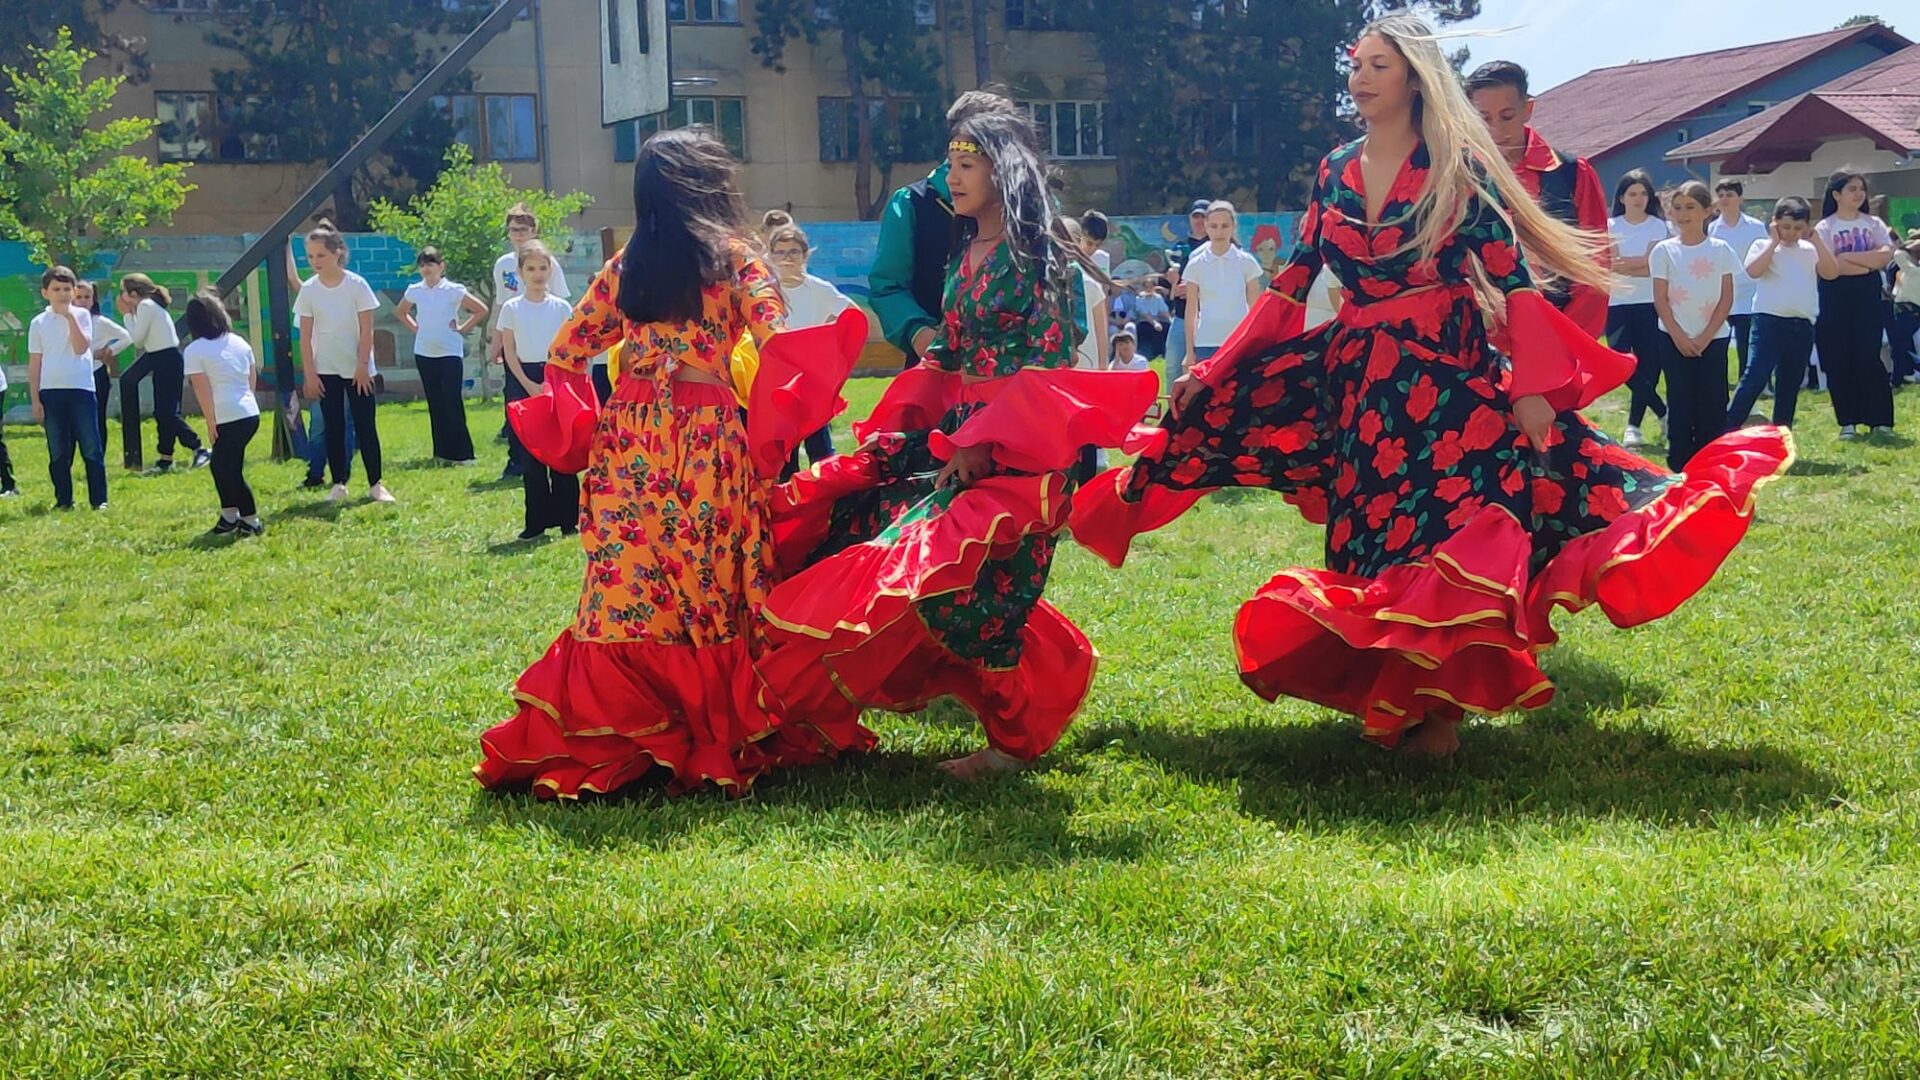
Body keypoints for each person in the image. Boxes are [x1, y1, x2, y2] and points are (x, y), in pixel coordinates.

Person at [1068, 14, 1792, 758]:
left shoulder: (1457, 165)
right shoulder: (1334, 169)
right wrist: (1213, 369)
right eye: (1356, 64)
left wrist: (1532, 386)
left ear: (1414, 79)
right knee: (1371, 535)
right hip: (1361, 387)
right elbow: (1291, 283)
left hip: (1448, 379)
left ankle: (1438, 716)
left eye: (1377, 65)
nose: (1359, 77)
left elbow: (1512, 279)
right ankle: (1402, 699)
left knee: (1450, 526)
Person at [752, 111, 1158, 781]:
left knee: (986, 601)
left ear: (1003, 173)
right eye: (950, 165)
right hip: (962, 440)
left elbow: (1047, 363)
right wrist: (902, 425)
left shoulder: (1040, 258)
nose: (952, 177)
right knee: (866, 532)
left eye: (967, 165)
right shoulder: (966, 253)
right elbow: (948, 350)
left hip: (1026, 456)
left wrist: (983, 442)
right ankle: (816, 704)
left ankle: (1010, 746)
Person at [474, 128, 857, 799]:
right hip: (706, 436)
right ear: (710, 184)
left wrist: (580, 427)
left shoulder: (629, 263)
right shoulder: (736, 259)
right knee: (709, 578)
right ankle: (712, 723)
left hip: (629, 436)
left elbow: (566, 350)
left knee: (627, 580)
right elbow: (779, 343)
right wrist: (779, 426)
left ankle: (620, 725)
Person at [870, 90, 1021, 369]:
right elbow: (887, 287)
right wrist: (919, 333)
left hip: (1017, 377)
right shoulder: (912, 204)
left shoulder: (1032, 210)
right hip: (933, 371)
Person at [1466, 60, 1610, 337]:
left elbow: (1595, 266)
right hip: (1485, 339)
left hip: (1564, 335)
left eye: (1507, 116)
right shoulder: (1461, 178)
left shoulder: (1571, 173)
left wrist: (1565, 340)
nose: (1496, 131)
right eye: (1484, 119)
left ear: (1527, 109)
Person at [294, 219, 393, 503]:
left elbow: (367, 329)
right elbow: (305, 337)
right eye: (310, 256)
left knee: (365, 425)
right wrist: (310, 374)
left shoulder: (356, 285)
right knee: (333, 426)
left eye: (321, 255)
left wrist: (362, 367)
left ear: (337, 252)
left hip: (358, 369)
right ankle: (339, 482)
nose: (315, 261)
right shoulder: (309, 290)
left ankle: (376, 484)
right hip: (326, 369)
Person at [1650, 181, 1739, 471]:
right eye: (1677, 208)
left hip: (1713, 339)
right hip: (1673, 338)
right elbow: (1660, 298)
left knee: (1713, 402)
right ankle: (1680, 465)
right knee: (1680, 401)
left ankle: (1711, 463)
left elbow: (1726, 297)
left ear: (1707, 211)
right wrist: (1679, 336)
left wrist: (1705, 336)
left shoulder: (1721, 250)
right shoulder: (1663, 251)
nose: (1683, 214)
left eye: (1690, 207)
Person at [1727, 197, 1836, 431]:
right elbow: (1753, 271)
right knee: (1755, 377)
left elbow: (1830, 272)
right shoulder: (1762, 245)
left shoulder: (1810, 250)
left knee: (1790, 384)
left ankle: (1781, 433)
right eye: (1786, 227)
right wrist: (1773, 242)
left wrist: (1817, 241)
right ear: (1775, 223)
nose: (1791, 233)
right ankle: (1728, 428)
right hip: (1769, 322)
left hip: (1802, 325)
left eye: (1798, 228)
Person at [497, 240, 580, 541]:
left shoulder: (561, 307)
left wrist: (553, 382)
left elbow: (569, 347)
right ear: (520, 272)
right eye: (531, 268)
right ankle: (536, 522)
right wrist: (528, 384)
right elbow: (509, 351)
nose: (537, 274)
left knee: (561, 451)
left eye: (543, 268)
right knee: (531, 456)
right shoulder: (511, 308)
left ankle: (568, 519)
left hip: (555, 377)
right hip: (523, 380)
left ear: (550, 271)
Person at [491, 203, 573, 479]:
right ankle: (517, 460)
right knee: (516, 403)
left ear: (534, 231)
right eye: (513, 229)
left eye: (523, 229)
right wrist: (496, 340)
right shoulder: (503, 264)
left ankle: (555, 459)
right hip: (516, 339)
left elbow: (561, 302)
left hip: (545, 347)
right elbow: (500, 302)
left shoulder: (550, 264)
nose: (518, 234)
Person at [764, 222, 852, 472]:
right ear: (770, 256)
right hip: (778, 378)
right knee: (784, 450)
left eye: (793, 251)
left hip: (812, 379)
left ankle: (826, 489)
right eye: (780, 252)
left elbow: (851, 315)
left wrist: (827, 342)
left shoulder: (818, 289)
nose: (787, 258)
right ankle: (785, 489)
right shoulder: (765, 291)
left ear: (805, 255)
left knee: (819, 447)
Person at [1815, 170, 1897, 439]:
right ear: (1836, 194)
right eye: (1852, 189)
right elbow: (1830, 268)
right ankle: (1847, 421)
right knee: (1838, 356)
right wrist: (1864, 261)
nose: (1858, 194)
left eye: (1861, 188)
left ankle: (1880, 420)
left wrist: (1849, 258)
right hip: (1834, 294)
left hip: (1867, 293)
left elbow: (1884, 256)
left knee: (1868, 354)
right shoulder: (1825, 227)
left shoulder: (1873, 223)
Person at [182, 290, 265, 538]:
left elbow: (202, 390)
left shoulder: (195, 350)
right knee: (224, 466)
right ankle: (229, 515)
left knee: (226, 469)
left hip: (226, 416)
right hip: (248, 412)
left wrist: (211, 422)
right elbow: (252, 378)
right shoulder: (239, 342)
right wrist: (246, 402)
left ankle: (250, 520)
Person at [395, 247, 487, 465]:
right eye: (422, 265)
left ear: (441, 266)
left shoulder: (453, 290)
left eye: (431, 264)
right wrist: (416, 329)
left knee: (452, 401)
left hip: (449, 352)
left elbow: (481, 309)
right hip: (424, 352)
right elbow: (401, 312)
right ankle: (442, 453)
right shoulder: (415, 290)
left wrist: (463, 328)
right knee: (435, 403)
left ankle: (463, 454)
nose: (426, 269)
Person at [27, 266, 108, 511]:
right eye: (56, 289)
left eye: (66, 289)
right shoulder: (39, 323)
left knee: (91, 447)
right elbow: (35, 362)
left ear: (73, 292)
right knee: (58, 450)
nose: (61, 294)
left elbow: (81, 347)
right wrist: (35, 399)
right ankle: (63, 500)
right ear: (45, 293)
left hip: (81, 389)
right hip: (51, 391)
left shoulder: (82, 315)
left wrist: (70, 317)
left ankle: (99, 500)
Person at [116, 274, 210, 473]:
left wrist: (126, 315)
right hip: (162, 358)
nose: (121, 296)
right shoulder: (148, 306)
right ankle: (165, 458)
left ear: (133, 293)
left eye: (123, 291)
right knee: (163, 412)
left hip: (166, 358)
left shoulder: (145, 305)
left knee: (166, 412)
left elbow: (138, 340)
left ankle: (198, 447)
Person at [1607, 169, 1671, 449]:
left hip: (1650, 302)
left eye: (1643, 193)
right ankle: (1663, 411)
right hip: (1618, 302)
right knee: (1619, 360)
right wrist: (1639, 264)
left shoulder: (1657, 226)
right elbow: (1613, 263)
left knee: (1649, 365)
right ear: (1622, 198)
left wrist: (1631, 265)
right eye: (1632, 193)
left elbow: (1652, 265)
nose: (1638, 198)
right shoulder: (1610, 226)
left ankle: (1633, 426)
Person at [1180, 200, 1265, 365]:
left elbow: (1255, 308)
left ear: (1233, 227)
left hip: (1240, 341)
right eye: (1214, 226)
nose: (1219, 232)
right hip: (1206, 342)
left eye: (1225, 226)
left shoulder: (1246, 262)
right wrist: (1189, 352)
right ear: (1206, 226)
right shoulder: (1195, 264)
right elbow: (1191, 312)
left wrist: (1257, 343)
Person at [1708, 180, 1769, 371]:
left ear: (1740, 198)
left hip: (1749, 296)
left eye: (1730, 195)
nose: (1725, 199)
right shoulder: (1711, 229)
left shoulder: (1756, 227)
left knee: (1747, 347)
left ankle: (1752, 382)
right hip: (1721, 296)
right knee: (1719, 348)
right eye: (1721, 195)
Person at [75, 280, 132, 444]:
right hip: (74, 375)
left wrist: (109, 351)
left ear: (93, 300)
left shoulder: (100, 322)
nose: (83, 301)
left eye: (87, 297)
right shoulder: (66, 321)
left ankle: (99, 454)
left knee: (98, 417)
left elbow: (127, 337)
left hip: (97, 373)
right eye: (79, 297)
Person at [1162, 199, 1211, 388]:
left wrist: (1193, 291)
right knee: (1172, 367)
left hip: (1208, 318)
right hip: (1181, 316)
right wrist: (1172, 280)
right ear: (1190, 219)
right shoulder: (1178, 247)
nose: (1199, 221)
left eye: (1203, 217)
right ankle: (1172, 404)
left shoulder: (1216, 248)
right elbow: (1166, 286)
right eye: (1196, 216)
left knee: (1204, 369)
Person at [1892, 230, 1920, 387]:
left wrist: (1911, 246)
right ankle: (1897, 379)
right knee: (1899, 346)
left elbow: (1898, 254)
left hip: (1911, 310)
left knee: (1900, 347)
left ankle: (1906, 374)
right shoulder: (1910, 264)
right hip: (1903, 308)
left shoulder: (1913, 268)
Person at [1132, 283, 1170, 360]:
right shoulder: (1139, 298)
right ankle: (1158, 354)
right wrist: (1155, 324)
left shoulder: (1158, 297)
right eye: (1146, 287)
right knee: (1156, 330)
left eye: (1150, 287)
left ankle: (1166, 354)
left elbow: (1164, 311)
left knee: (1167, 328)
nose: (1148, 289)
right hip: (1144, 322)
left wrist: (1171, 322)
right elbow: (1145, 314)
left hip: (1158, 320)